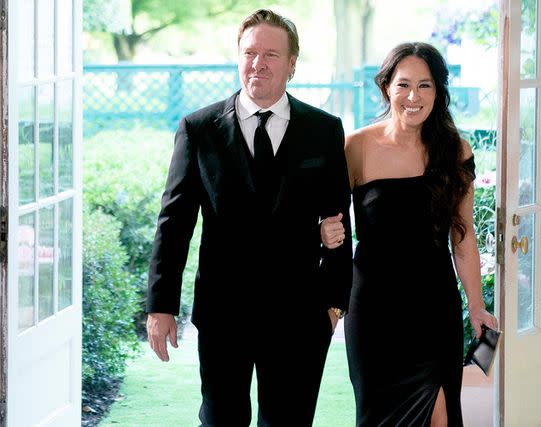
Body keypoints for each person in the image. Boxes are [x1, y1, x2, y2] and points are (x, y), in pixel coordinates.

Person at [145, 9, 353, 426]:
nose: (258, 63)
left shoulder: (324, 130)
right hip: (224, 312)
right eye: (249, 52)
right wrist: (161, 306)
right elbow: (174, 223)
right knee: (222, 419)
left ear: (292, 63)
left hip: (299, 315)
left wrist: (333, 303)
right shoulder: (198, 129)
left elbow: (338, 223)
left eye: (271, 54)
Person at [320, 42, 498, 426]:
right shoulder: (356, 147)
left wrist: (477, 304)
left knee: (440, 417)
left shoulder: (455, 151)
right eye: (403, 85)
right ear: (387, 88)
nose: (414, 96)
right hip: (374, 311)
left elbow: (462, 236)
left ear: (439, 91)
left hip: (434, 307)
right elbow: (326, 220)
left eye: (426, 85)